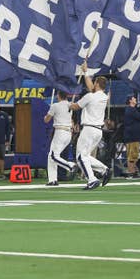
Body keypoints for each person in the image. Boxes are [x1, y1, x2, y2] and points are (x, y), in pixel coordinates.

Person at [69, 61, 110, 190]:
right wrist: (86, 71)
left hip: (89, 129)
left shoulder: (90, 97)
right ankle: (105, 170)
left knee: (81, 156)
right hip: (98, 131)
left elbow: (75, 107)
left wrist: (68, 104)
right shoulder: (104, 96)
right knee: (85, 156)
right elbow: (92, 88)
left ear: (97, 84)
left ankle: (92, 179)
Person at [44, 91, 76, 186]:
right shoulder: (70, 105)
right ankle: (52, 179)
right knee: (51, 156)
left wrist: (45, 116)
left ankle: (70, 165)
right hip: (68, 133)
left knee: (54, 156)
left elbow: (47, 120)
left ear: (58, 96)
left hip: (60, 132)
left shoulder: (55, 105)